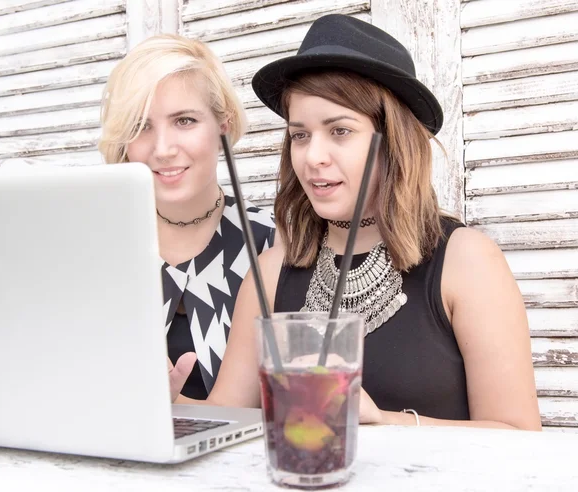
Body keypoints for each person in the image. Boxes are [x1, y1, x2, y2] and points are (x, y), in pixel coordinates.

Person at [172, 15, 542, 430]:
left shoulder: (467, 260)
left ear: (394, 141)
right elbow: (228, 421)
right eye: (300, 135)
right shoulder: (272, 271)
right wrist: (169, 402)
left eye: (340, 131)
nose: (313, 157)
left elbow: (519, 435)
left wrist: (383, 420)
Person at [98, 34, 277, 399]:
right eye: (140, 126)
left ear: (223, 124)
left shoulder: (274, 245)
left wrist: (171, 402)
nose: (162, 149)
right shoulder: (101, 247)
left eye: (184, 120)